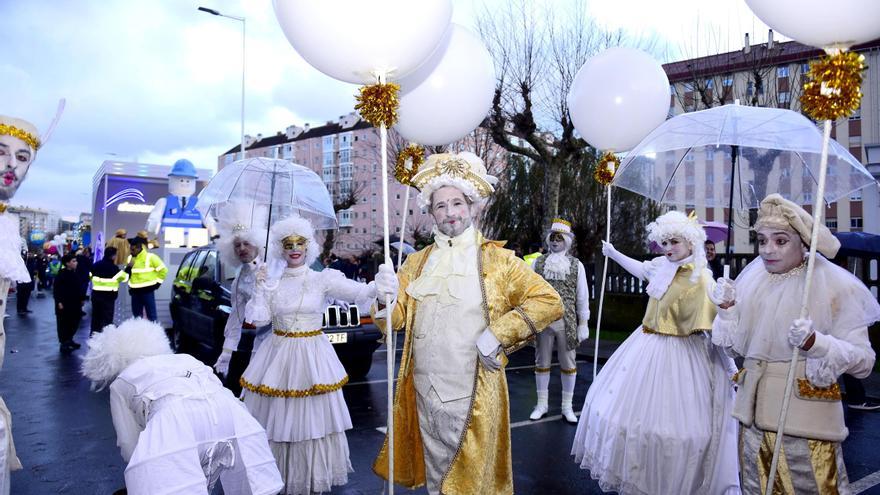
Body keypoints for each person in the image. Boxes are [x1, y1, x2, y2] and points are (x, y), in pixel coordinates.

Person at [371, 152, 563, 495]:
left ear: (473, 206)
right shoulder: (415, 263)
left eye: (457, 203)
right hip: (424, 391)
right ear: (431, 211)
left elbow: (549, 302)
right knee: (436, 480)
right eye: (440, 205)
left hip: (473, 392)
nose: (449, 213)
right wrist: (383, 299)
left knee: (471, 484)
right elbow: (395, 321)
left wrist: (498, 335)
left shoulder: (499, 260)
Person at [711, 194, 880, 494]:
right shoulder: (753, 281)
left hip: (805, 433)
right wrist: (727, 313)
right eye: (762, 241)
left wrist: (818, 344)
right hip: (752, 429)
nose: (767, 250)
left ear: (803, 242)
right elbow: (734, 350)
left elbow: (864, 363)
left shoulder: (833, 286)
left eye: (780, 240)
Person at [571, 211, 740, 495]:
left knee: (678, 430)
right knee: (629, 421)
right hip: (646, 346)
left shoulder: (703, 279)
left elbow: (718, 332)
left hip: (684, 354)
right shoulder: (662, 266)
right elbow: (641, 269)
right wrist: (613, 254)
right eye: (664, 242)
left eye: (674, 241)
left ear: (690, 242)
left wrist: (726, 308)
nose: (668, 248)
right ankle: (642, 478)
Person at [240, 214, 388, 495]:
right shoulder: (271, 282)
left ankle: (309, 479)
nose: (294, 248)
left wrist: (382, 282)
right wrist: (259, 289)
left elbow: (361, 292)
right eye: (288, 243)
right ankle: (278, 478)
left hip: (313, 356)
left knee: (312, 423)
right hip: (278, 356)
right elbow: (258, 320)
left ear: (309, 247)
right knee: (279, 421)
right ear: (280, 249)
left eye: (300, 242)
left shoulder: (323, 279)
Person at [81, 318, 284, 495]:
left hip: (176, 419)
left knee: (179, 482)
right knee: (247, 479)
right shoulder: (184, 358)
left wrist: (143, 467)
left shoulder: (122, 382)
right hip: (228, 412)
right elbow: (214, 384)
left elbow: (128, 443)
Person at [528, 218, 590, 423]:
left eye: (559, 239)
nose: (555, 242)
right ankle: (541, 404)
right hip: (543, 319)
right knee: (542, 361)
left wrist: (583, 323)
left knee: (568, 362)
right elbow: (529, 291)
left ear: (566, 241)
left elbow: (582, 296)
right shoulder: (539, 262)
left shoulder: (576, 265)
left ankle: (567, 407)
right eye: (553, 238)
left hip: (567, 321)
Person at [211, 202, 270, 395]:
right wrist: (227, 352)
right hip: (262, 344)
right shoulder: (239, 282)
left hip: (290, 341)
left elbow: (303, 281)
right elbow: (235, 319)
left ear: (257, 242)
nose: (242, 248)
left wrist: (331, 295)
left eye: (246, 243)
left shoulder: (276, 266)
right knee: (258, 394)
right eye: (237, 245)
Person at [125, 236, 167, 322]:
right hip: (135, 292)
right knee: (137, 317)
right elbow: (127, 276)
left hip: (147, 291)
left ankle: (153, 334)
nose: (131, 251)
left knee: (152, 316)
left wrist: (157, 284)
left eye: (133, 249)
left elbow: (163, 270)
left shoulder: (151, 257)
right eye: (130, 249)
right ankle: (139, 334)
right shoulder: (130, 258)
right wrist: (128, 268)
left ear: (139, 247)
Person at [89, 246, 129, 335]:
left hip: (96, 297)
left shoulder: (95, 265)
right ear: (113, 256)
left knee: (96, 319)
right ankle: (107, 338)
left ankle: (93, 337)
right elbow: (125, 277)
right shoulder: (113, 268)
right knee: (107, 320)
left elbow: (90, 276)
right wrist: (128, 268)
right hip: (108, 298)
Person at [54, 253, 85, 352]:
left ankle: (70, 339)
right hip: (64, 304)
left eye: (76, 261)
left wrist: (82, 299)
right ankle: (64, 343)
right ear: (67, 263)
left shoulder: (75, 273)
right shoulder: (62, 274)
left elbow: (79, 287)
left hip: (75, 303)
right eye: (73, 261)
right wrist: (59, 302)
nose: (76, 263)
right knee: (64, 323)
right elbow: (57, 289)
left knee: (74, 322)